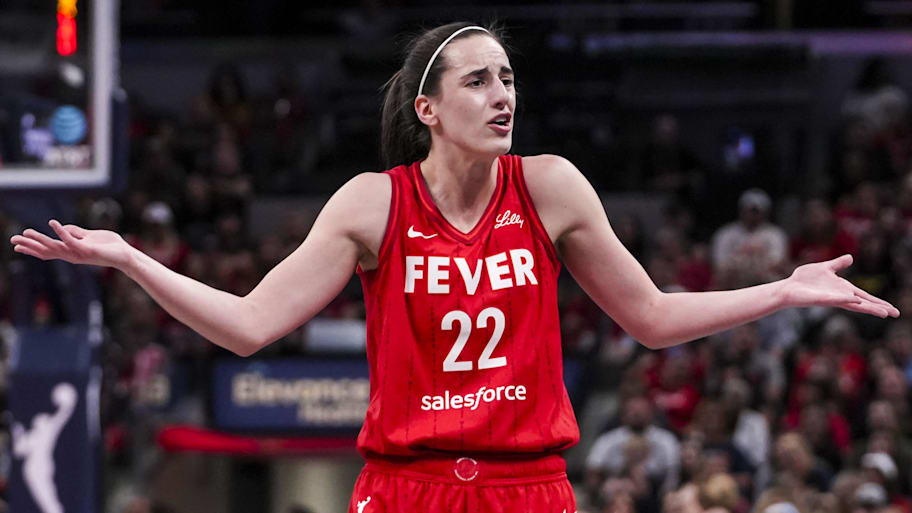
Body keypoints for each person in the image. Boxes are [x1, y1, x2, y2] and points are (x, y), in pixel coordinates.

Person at [9, 22, 900, 512]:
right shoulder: (372, 202)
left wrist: (782, 288)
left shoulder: (550, 187)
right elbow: (246, 327)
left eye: (508, 78)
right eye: (478, 81)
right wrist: (128, 258)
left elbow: (651, 316)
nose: (503, 94)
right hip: (405, 487)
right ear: (429, 108)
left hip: (530, 488)